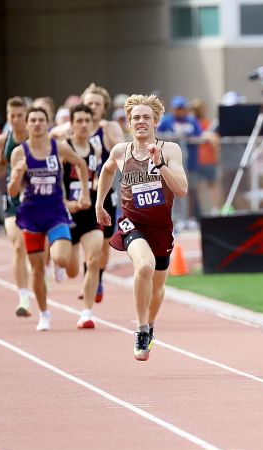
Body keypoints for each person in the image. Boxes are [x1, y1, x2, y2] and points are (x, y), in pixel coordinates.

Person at [96, 94, 188, 361]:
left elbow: (181, 189)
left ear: (156, 121)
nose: (141, 122)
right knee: (144, 266)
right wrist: (99, 204)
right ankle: (140, 328)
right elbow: (107, 170)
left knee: (158, 286)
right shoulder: (120, 151)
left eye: (146, 117)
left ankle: (150, 326)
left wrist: (159, 163)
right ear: (128, 122)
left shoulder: (169, 150)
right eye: (136, 117)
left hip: (161, 229)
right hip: (132, 223)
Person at [8, 107, 90, 331]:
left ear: (47, 124)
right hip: (31, 216)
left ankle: (57, 262)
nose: (36, 124)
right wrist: (16, 175)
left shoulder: (58, 147)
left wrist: (84, 192)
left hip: (55, 212)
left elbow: (81, 164)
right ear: (27, 124)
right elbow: (12, 191)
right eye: (32, 120)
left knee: (62, 258)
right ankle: (44, 313)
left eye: (40, 120)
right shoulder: (19, 153)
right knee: (36, 270)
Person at [54, 83, 126, 303]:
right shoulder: (69, 129)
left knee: (103, 248)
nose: (93, 107)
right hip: (75, 194)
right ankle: (72, 264)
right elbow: (48, 140)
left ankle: (97, 277)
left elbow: (123, 152)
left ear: (103, 107)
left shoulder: (108, 128)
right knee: (79, 248)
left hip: (102, 194)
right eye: (89, 103)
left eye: (97, 103)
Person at [0, 96, 31, 316]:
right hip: (12, 199)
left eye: (19, 115)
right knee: (18, 245)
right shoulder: (4, 138)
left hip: (36, 199)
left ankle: (40, 270)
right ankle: (23, 297)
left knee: (36, 249)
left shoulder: (37, 137)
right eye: (11, 115)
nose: (15, 119)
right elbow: (2, 162)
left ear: (27, 116)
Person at [62, 104, 104, 329]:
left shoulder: (95, 148)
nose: (84, 125)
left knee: (94, 259)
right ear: (72, 124)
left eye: (87, 121)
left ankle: (87, 313)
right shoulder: (63, 148)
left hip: (89, 214)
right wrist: (67, 203)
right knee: (71, 270)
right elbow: (56, 182)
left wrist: (95, 189)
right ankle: (58, 260)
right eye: (79, 121)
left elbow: (96, 176)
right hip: (67, 215)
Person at [157, 95, 201, 229]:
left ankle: (190, 217)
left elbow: (199, 136)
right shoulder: (167, 121)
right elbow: (158, 135)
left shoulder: (191, 121)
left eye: (182, 108)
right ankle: (175, 218)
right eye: (177, 108)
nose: (180, 110)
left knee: (191, 190)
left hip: (190, 163)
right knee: (172, 190)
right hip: (171, 164)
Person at [190, 99, 221, 216]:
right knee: (199, 188)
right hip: (197, 161)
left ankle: (214, 211)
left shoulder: (208, 124)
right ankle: (202, 213)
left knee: (210, 186)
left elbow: (215, 139)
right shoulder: (193, 124)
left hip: (208, 161)